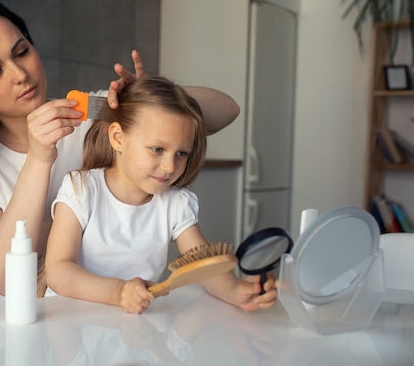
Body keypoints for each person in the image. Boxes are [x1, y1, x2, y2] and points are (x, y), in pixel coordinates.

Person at [0, 0, 240, 304]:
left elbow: (227, 110)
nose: (21, 75)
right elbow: (4, 278)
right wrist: (39, 159)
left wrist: (153, 101)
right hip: (36, 321)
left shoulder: (89, 112)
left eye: (22, 52)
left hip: (122, 309)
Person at [44, 76, 277, 314]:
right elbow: (58, 271)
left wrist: (236, 292)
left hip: (133, 329)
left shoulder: (175, 203)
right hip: (73, 324)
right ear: (118, 138)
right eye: (158, 149)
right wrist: (118, 293)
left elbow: (201, 266)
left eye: (181, 153)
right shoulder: (81, 189)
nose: (169, 166)